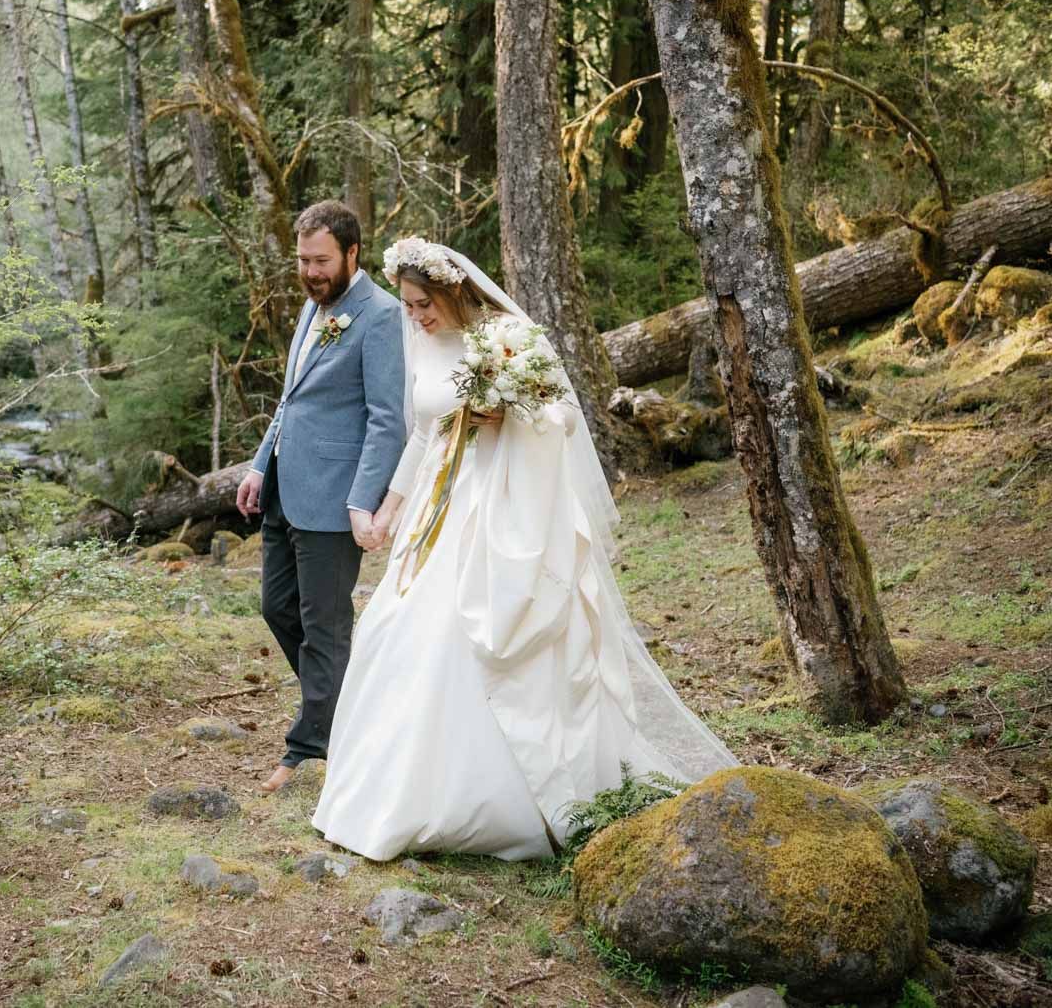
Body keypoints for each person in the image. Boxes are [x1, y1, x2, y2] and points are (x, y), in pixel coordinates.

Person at [311, 238, 735, 860]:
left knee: (468, 634)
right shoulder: (422, 343)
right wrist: (387, 509)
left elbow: (560, 418)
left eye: (423, 304)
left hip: (502, 505)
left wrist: (505, 418)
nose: (415, 317)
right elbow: (425, 432)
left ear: (454, 291)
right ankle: (394, 793)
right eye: (406, 305)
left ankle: (506, 802)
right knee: (403, 629)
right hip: (441, 504)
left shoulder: (506, 337)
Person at [235, 201, 407, 795]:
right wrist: (260, 465)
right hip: (285, 487)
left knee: (325, 625)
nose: (309, 271)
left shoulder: (380, 316)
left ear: (352, 253)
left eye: (321, 260)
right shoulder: (314, 309)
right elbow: (292, 399)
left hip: (336, 499)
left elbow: (388, 421)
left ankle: (309, 744)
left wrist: (364, 501)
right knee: (277, 608)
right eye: (303, 260)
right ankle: (344, 711)